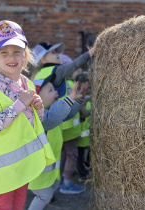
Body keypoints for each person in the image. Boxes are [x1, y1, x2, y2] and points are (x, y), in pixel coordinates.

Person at [0, 20, 55, 210]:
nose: (12, 57)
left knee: (18, 205)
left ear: (25, 54)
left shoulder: (26, 83)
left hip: (22, 160)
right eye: (4, 52)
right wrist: (19, 105)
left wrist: (39, 107)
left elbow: (34, 122)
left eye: (17, 51)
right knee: (3, 206)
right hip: (3, 164)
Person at [32, 42, 91, 194]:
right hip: (59, 126)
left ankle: (49, 190)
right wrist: (90, 53)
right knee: (66, 156)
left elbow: (67, 114)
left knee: (58, 160)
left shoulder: (40, 76)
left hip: (59, 124)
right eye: (53, 53)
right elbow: (73, 66)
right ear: (43, 59)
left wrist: (78, 99)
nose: (58, 54)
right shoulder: (54, 72)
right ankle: (55, 188)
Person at [27, 73, 88, 210]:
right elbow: (55, 116)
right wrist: (70, 97)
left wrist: (78, 99)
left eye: (54, 89)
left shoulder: (52, 111)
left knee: (53, 187)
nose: (56, 92)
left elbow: (68, 113)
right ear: (36, 99)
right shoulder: (39, 118)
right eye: (50, 90)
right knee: (44, 196)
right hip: (38, 174)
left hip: (49, 172)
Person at [75, 73, 91, 180]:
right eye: (89, 87)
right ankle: (82, 174)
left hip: (86, 132)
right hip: (80, 132)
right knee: (79, 154)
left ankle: (85, 169)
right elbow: (84, 113)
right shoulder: (80, 97)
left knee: (85, 152)